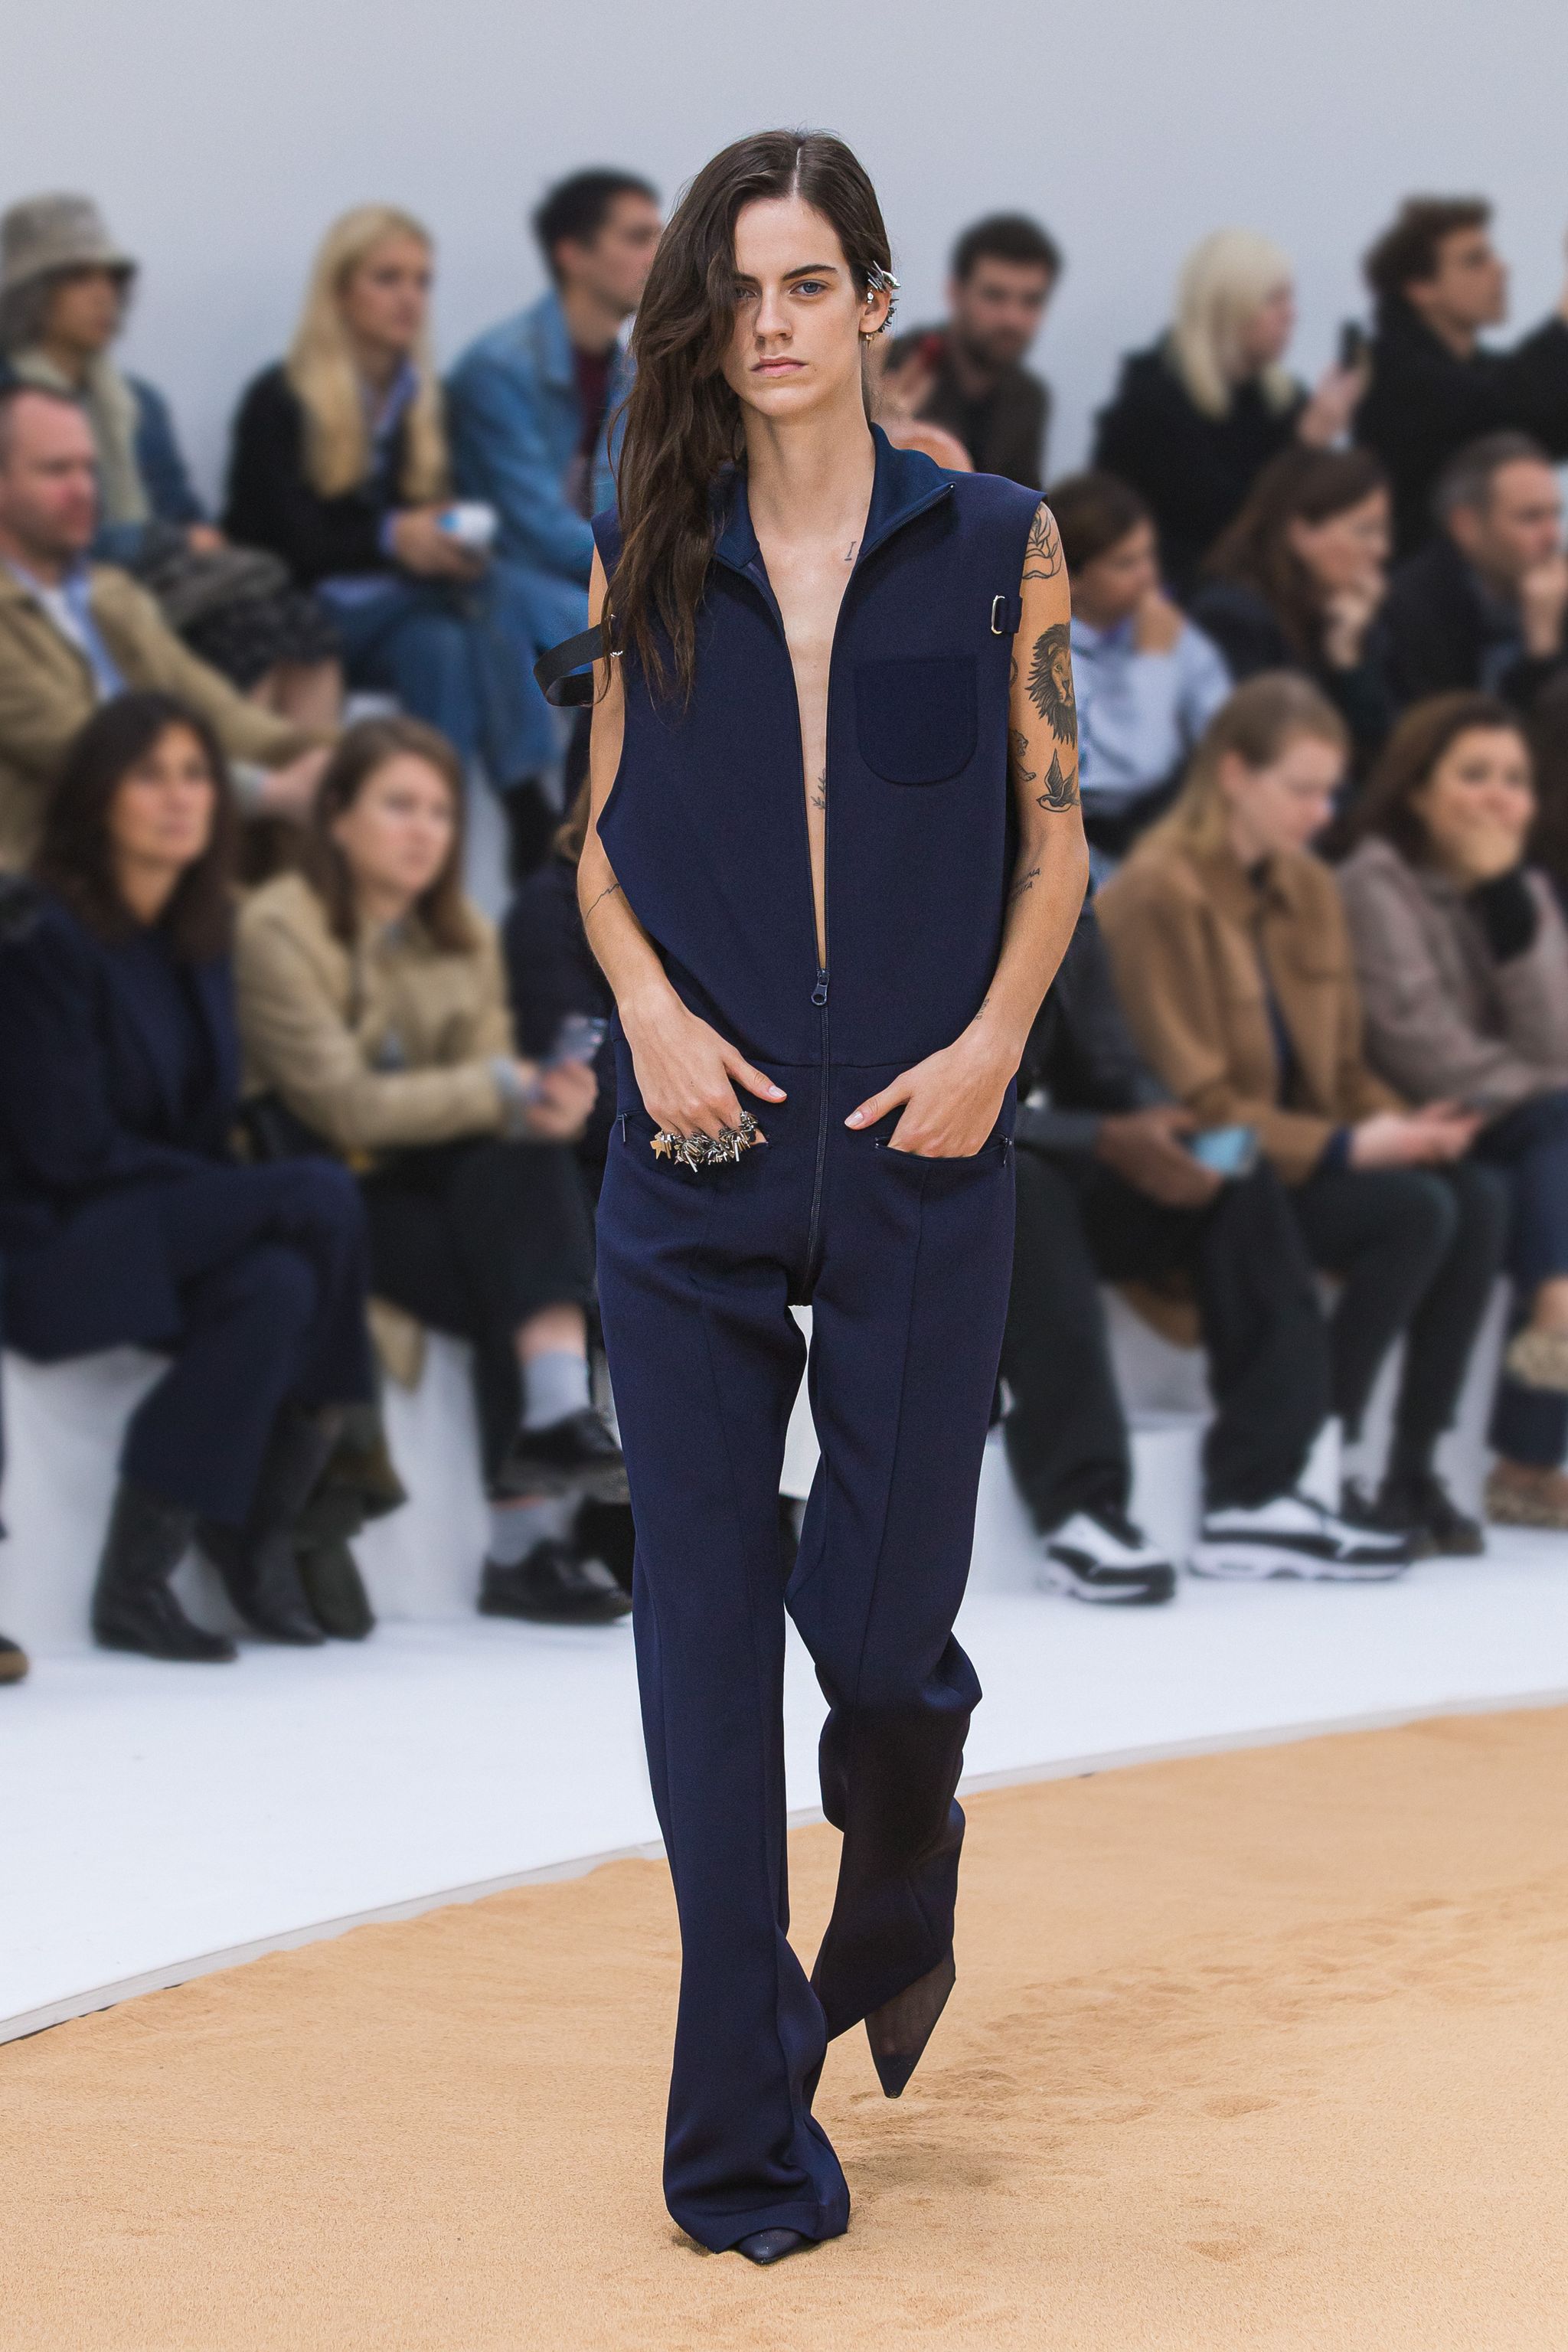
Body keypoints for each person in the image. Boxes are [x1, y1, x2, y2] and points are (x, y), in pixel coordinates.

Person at [567, 129, 1086, 2259]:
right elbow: (595, 844)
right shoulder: (647, 545)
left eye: (807, 285)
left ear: (876, 306)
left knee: (876, 1629)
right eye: (735, 291)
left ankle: (906, 1821)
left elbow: (1057, 846)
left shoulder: (996, 543)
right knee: (702, 1640)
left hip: (921, 1149)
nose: (768, 327)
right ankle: (739, 2137)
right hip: (688, 1158)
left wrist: (986, 1055)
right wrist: (648, 1021)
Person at [0, 694, 375, 1660]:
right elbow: (64, 1152)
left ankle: (135, 1580)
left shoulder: (199, 939)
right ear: (95, 796)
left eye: (197, 775)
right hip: (49, 1247)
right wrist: (237, 1199)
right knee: (318, 1193)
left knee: (279, 1283)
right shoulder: (41, 932)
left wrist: (227, 1205)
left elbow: (201, 1138)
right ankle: (262, 1523)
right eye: (151, 775)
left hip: (151, 1234)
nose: (181, 798)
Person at [1099, 675, 1508, 1557]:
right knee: (1417, 1211)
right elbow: (1193, 1104)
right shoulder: (1154, 895)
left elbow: (1345, 1069)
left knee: (1470, 1194)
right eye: (1302, 789)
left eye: (1329, 791)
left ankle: (1405, 1467)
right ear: (1234, 774)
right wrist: (1352, 1144)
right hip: (1204, 1159)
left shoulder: (1307, 889)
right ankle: (1313, 1453)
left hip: (1297, 1149)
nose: (1322, 813)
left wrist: (1406, 1132)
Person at [234, 715, 629, 1626]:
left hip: (417, 1187)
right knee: (525, 1244)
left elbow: (482, 1092)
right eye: (399, 806)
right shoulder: (276, 929)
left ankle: (549, 1441)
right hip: (309, 1194)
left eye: (441, 813)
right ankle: (527, 1527)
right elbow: (341, 1106)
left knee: (522, 1203)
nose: (424, 830)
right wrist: (502, 1089)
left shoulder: (446, 935)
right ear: (335, 817)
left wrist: (533, 1102)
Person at [1004, 903, 1344, 1599]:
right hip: (915, 1165)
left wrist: (1158, 1124)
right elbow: (892, 1090)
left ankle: (1257, 1492)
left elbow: (1104, 1054)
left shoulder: (1061, 871)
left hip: (1035, 1138)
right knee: (1024, 1188)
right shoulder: (901, 874)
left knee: (1234, 1167)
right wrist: (1094, 1138)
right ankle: (1080, 1508)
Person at [224, 206, 557, 822]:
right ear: (340, 291)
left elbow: (430, 517)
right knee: (495, 592)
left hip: (401, 614)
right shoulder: (281, 397)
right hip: (308, 614)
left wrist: (443, 543)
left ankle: (433, 851)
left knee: (444, 647)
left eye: (421, 281)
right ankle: (524, 799)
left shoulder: (423, 399)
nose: (410, 298)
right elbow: (278, 540)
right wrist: (392, 538)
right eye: (388, 278)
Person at [1339, 694, 1568, 1530]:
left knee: (1549, 1152)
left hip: (1516, 1123)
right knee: (1555, 1127)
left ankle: (1552, 1306)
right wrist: (1537, 1079)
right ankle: (1526, 1453)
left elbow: (1555, 1037)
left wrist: (1506, 896)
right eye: (1472, 776)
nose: (1497, 798)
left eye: (1514, 779)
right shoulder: (1374, 883)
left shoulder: (1518, 888)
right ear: (1416, 790)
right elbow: (1420, 1053)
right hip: (1413, 1113)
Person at [0, 193, 338, 716]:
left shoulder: (138, 402)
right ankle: (237, 787)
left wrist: (190, 539)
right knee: (252, 628)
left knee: (296, 620)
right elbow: (30, 531)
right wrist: (163, 541)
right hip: (52, 598)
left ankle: (303, 787)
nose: (104, 296)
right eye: (80, 279)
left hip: (158, 589)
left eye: (113, 279)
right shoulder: (11, 402)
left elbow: (182, 509)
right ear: (32, 293)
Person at [0, 384, 326, 868]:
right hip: (58, 877)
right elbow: (91, 753)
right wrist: (268, 792)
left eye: (89, 468)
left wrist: (330, 760)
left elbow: (218, 711)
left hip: (164, 857)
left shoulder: (113, 593)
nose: (84, 489)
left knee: (361, 816)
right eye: (56, 471)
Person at [446, 168, 661, 864]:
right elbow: (532, 527)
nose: (656, 254)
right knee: (554, 608)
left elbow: (635, 499)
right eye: (636, 237)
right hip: (507, 580)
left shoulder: (633, 370)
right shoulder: (498, 369)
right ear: (573, 253)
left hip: (586, 572)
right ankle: (540, 812)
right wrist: (643, 568)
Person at [1093, 230, 1364, 595]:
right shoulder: (1152, 408)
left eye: (1290, 298)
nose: (1291, 314)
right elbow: (1222, 529)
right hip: (1175, 599)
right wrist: (1303, 449)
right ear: (1228, 307)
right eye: (1273, 300)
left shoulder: (1282, 399)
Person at [1354, 198, 1568, 558]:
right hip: (1420, 595)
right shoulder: (1391, 374)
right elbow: (1495, 408)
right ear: (1421, 288)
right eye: (1475, 261)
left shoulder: (1481, 371)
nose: (1500, 269)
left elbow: (1546, 424)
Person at [1048, 469, 1228, 854]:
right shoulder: (1051, 656)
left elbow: (1228, 739)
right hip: (1095, 857)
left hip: (1184, 839)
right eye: (1125, 564)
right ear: (1070, 578)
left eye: (1150, 554)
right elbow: (1121, 779)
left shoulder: (1158, 627)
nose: (1149, 577)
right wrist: (1154, 665)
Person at [1188, 446, 1396, 769]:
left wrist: (1349, 657)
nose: (1382, 550)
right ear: (1301, 534)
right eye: (1364, 530)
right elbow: (1266, 750)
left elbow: (1380, 755)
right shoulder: (1233, 617)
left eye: (1383, 531)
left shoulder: (1351, 613)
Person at [1381, 433, 1568, 716]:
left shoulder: (1558, 591)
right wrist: (1541, 650)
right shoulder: (1410, 609)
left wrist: (1546, 641)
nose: (1552, 535)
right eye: (1531, 517)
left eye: (1556, 515)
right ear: (1466, 525)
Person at [878, 213, 1061, 486]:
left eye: (1031, 301)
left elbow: (1024, 507)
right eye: (994, 295)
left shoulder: (1027, 397)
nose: (1012, 318)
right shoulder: (896, 368)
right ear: (956, 292)